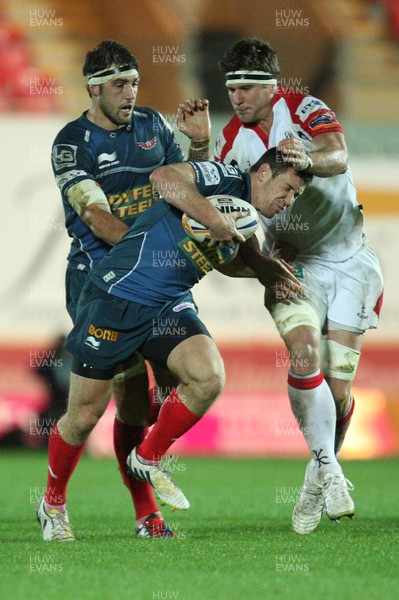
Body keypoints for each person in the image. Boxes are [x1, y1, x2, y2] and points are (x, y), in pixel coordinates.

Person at [37, 148, 311, 541]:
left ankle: (147, 457)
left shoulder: (246, 218)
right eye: (287, 188)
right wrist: (214, 218)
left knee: (208, 377)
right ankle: (53, 504)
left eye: (296, 197)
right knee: (83, 416)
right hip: (117, 297)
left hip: (167, 305)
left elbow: (223, 257)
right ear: (263, 172)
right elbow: (164, 177)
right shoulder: (225, 179)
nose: (287, 201)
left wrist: (262, 269)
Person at [215, 38, 384, 534]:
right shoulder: (231, 140)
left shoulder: (305, 109)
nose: (238, 98)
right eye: (232, 89)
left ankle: (315, 477)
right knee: (305, 352)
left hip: (351, 259)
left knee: (339, 390)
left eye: (247, 87)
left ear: (271, 86)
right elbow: (233, 206)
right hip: (296, 264)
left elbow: (337, 154)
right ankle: (330, 471)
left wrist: (306, 158)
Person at [46, 39, 212, 539]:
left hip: (161, 279)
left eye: (135, 82)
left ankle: (148, 512)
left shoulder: (155, 127)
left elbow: (187, 189)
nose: (130, 92)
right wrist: (156, 245)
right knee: (94, 409)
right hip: (102, 283)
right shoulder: (72, 142)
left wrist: (200, 146)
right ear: (93, 87)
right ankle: (53, 504)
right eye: (120, 83)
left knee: (202, 376)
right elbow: (96, 217)